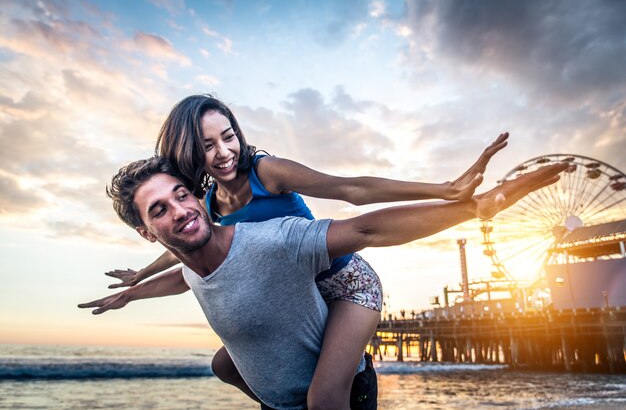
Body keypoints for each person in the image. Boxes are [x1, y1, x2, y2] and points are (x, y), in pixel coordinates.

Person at [104, 95, 510, 409]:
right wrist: (140, 277)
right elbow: (183, 249)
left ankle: (352, 388)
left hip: (347, 284)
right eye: (208, 145)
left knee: (323, 401)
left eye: (228, 136)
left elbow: (352, 190)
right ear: (190, 152)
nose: (224, 151)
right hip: (301, 295)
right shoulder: (206, 205)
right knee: (226, 366)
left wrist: (444, 190)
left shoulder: (267, 172)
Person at [80, 156, 566, 410]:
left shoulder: (270, 239)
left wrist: (471, 207)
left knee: (322, 399)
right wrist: (133, 292)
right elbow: (183, 280)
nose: (181, 210)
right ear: (146, 232)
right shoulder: (192, 260)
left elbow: (365, 227)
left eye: (181, 195)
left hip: (347, 352)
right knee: (223, 365)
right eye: (160, 209)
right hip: (279, 395)